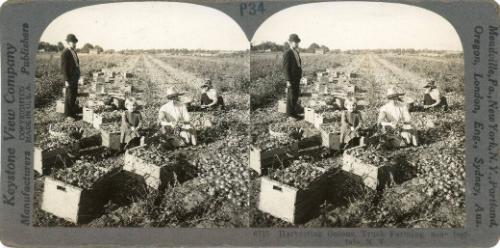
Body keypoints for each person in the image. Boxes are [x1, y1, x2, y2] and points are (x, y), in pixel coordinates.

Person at [282, 33, 303, 120]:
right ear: (290, 43)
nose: (297, 44)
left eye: (297, 42)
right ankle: (289, 115)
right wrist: (288, 80)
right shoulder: (288, 53)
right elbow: (286, 68)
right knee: (291, 96)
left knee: (295, 96)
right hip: (291, 79)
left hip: (297, 78)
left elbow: (298, 65)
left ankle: (294, 113)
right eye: (295, 42)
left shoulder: (296, 52)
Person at [61, 34, 80, 118]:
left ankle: (72, 113)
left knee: (74, 95)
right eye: (73, 42)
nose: (75, 44)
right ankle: (68, 115)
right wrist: (66, 80)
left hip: (75, 78)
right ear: (68, 43)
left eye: (75, 42)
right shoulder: (65, 53)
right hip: (70, 78)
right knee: (69, 96)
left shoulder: (73, 51)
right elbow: (64, 68)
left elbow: (76, 64)